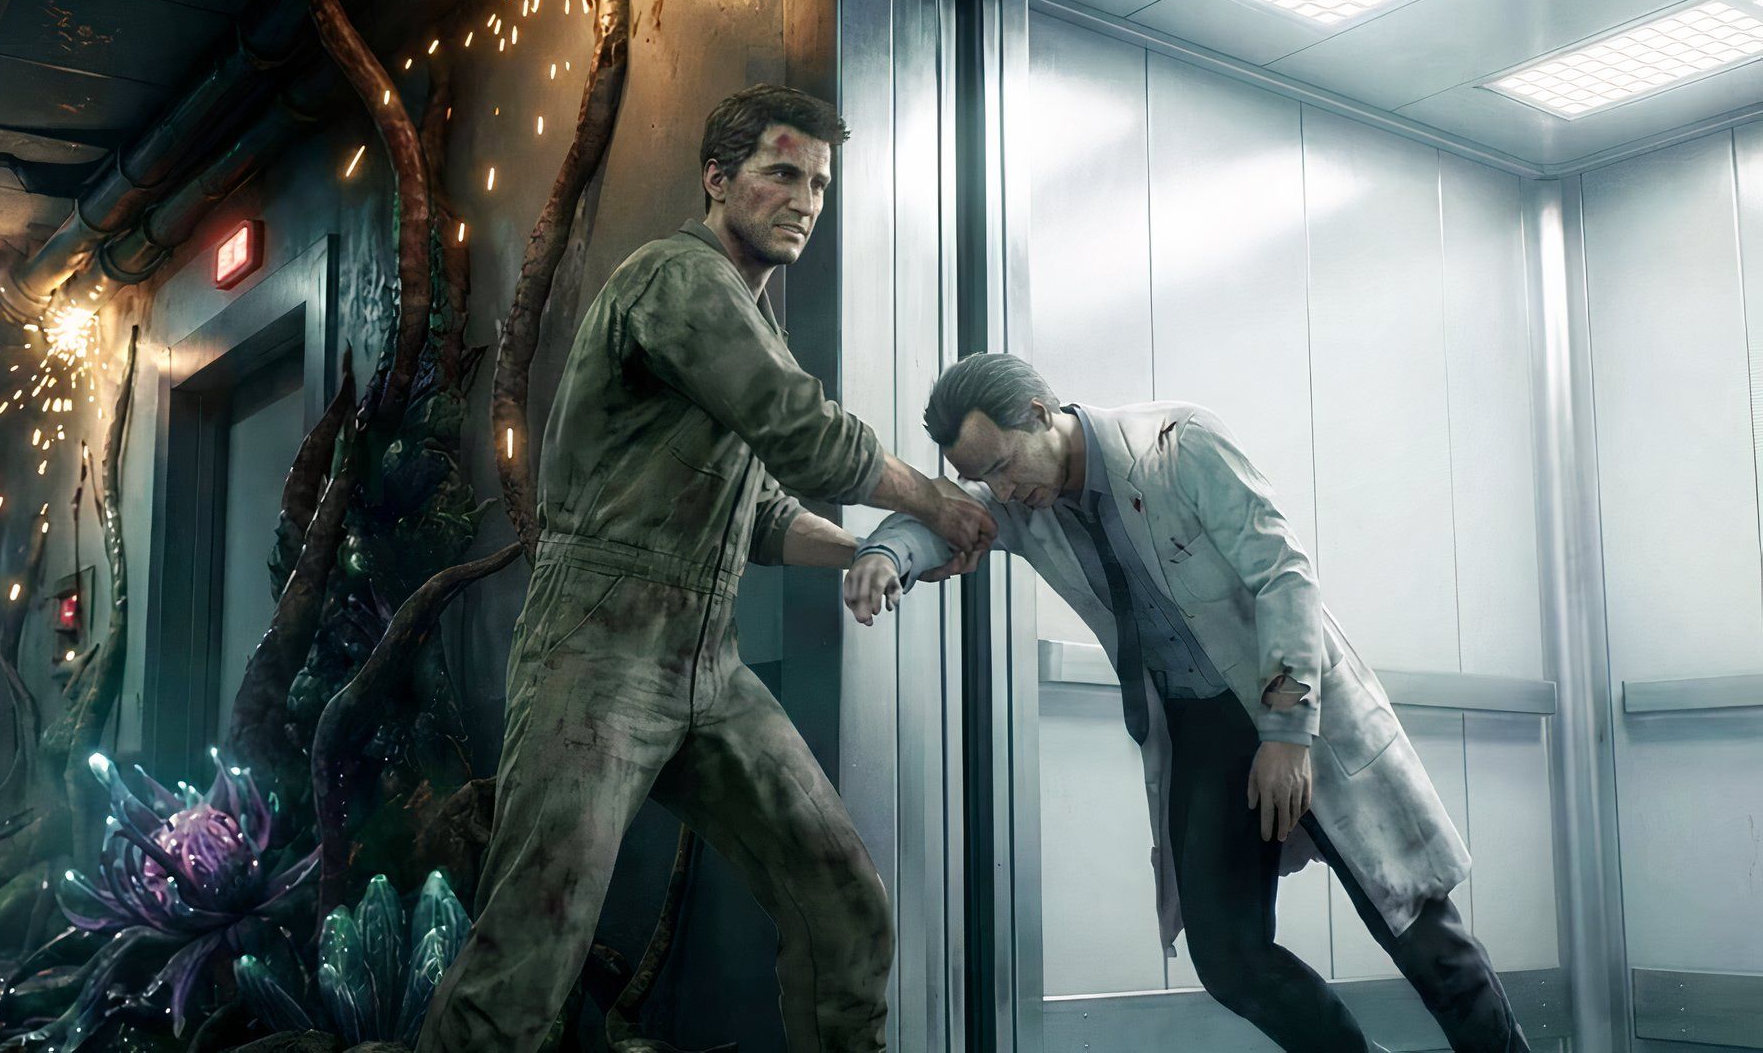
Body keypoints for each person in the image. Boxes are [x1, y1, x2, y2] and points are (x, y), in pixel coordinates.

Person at [415, 84, 997, 1053]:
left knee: (842, 900)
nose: (804, 200)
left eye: (819, 184)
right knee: (532, 949)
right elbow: (803, 433)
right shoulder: (677, 280)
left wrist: (871, 553)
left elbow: (760, 515)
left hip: (705, 662)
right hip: (596, 647)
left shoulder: (751, 321)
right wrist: (932, 501)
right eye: (782, 173)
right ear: (717, 179)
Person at [846, 353, 1530, 1053]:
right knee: (1228, 958)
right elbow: (940, 517)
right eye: (982, 478)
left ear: (1042, 415)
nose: (999, 489)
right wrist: (883, 555)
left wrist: (1286, 734)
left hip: (1296, 709)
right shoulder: (1021, 503)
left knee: (1418, 931)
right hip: (1201, 734)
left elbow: (1284, 576)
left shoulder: (1178, 445)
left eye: (1000, 465)